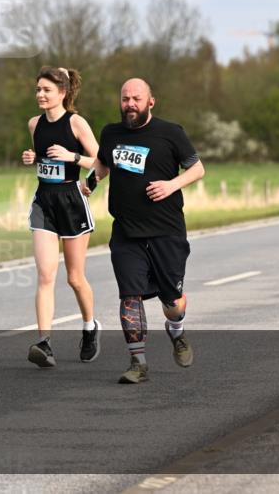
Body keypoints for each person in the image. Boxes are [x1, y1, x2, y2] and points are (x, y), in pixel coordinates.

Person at [87, 78, 205, 384]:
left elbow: (197, 168)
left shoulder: (171, 133)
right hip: (126, 230)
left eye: (136, 99)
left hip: (167, 231)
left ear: (151, 101)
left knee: (173, 302)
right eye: (125, 99)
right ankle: (138, 363)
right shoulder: (111, 133)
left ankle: (176, 331)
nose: (130, 104)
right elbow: (102, 164)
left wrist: (171, 185)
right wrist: (90, 182)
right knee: (130, 296)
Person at [21, 67, 101, 368]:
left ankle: (90, 326)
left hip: (71, 202)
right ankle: (44, 343)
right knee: (45, 276)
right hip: (44, 202)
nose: (40, 95)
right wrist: (33, 159)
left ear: (62, 93)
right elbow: (43, 158)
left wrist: (73, 158)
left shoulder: (76, 122)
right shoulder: (34, 124)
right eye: (38, 89)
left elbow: (100, 161)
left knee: (75, 278)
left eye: (46, 90)